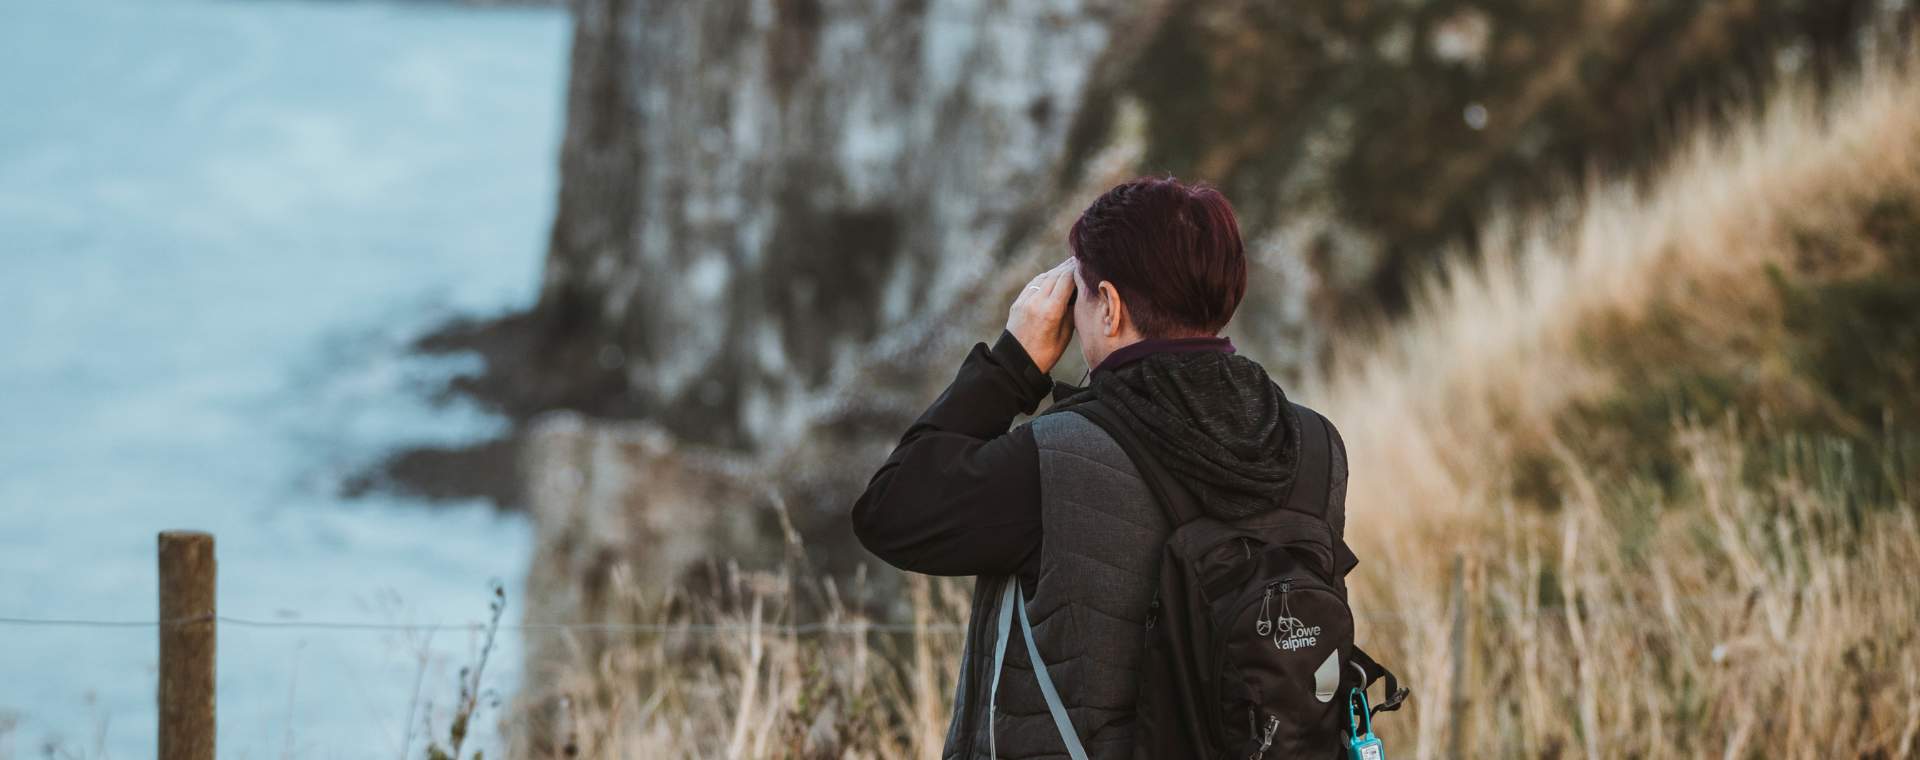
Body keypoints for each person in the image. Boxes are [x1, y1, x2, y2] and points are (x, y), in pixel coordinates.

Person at [851, 177, 1331, 759]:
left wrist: (1011, 363)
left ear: (1111, 306)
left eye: (1079, 294)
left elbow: (889, 510)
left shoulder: (1060, 459)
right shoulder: (1311, 446)